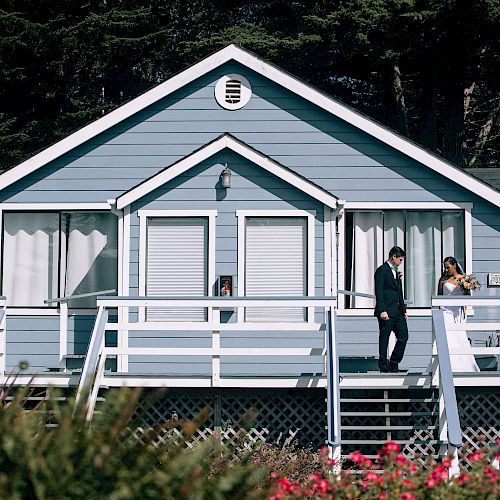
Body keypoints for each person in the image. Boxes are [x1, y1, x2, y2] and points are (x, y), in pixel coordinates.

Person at [437, 256, 479, 372]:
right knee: (448, 338)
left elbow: (467, 297)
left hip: (457, 313)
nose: (446, 270)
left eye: (448, 267)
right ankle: (445, 366)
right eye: (445, 268)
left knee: (459, 338)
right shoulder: (442, 279)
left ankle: (463, 367)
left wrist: (466, 286)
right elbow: (438, 297)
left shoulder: (463, 279)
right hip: (446, 312)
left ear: (454, 265)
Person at [374, 246, 408, 373]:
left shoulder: (396, 271)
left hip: (398, 310)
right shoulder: (382, 270)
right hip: (386, 311)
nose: (401, 262)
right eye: (400, 260)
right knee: (384, 337)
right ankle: (383, 365)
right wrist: (382, 310)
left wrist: (404, 310)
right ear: (393, 256)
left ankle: (394, 362)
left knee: (403, 336)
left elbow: (399, 292)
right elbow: (379, 291)